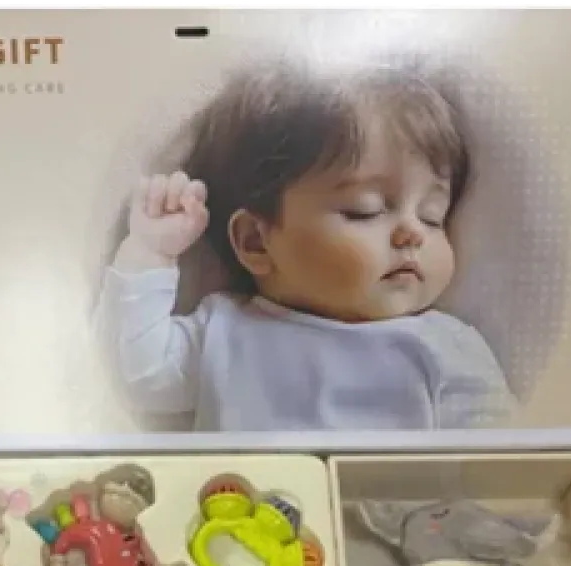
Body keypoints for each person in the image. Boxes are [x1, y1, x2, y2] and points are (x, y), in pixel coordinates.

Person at [96, 63, 516, 433]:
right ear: (256, 242)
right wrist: (151, 252)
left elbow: (497, 462)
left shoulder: (447, 347)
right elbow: (136, 377)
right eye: (365, 210)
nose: (413, 233)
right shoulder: (224, 333)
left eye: (432, 215)